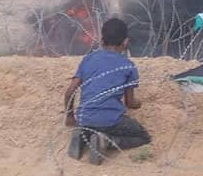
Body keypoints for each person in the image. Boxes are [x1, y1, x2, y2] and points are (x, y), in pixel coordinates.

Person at [63, 17, 151, 164]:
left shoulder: (88, 59)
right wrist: (138, 104)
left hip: (84, 118)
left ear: (102, 41)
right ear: (125, 42)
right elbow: (130, 103)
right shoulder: (127, 66)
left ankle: (81, 135)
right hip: (111, 121)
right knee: (143, 137)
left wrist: (70, 116)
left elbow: (70, 90)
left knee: (92, 125)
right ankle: (107, 142)